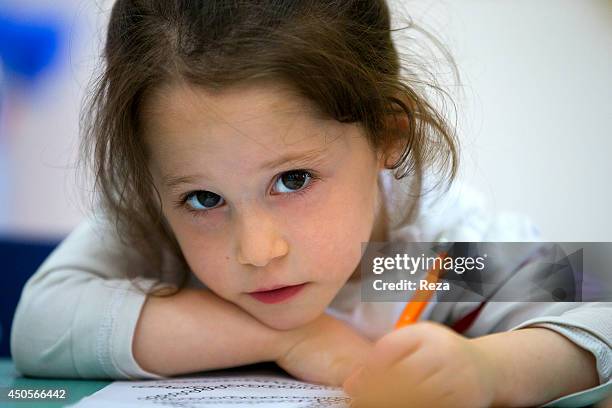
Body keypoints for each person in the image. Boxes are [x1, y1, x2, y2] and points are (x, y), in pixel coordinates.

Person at [10, 1, 611, 407]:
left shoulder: (407, 259)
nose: (256, 251)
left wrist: (491, 372)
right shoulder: (155, 225)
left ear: (386, 135)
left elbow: (599, 308)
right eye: (203, 198)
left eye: (293, 180)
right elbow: (38, 322)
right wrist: (291, 339)